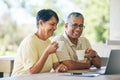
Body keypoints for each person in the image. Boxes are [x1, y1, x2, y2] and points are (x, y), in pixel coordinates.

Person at [11, 9, 68, 77]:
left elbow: (55, 65)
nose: (55, 28)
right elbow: (32, 72)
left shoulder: (48, 41)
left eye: (56, 25)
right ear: (41, 23)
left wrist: (60, 68)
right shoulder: (30, 41)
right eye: (52, 24)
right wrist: (47, 52)